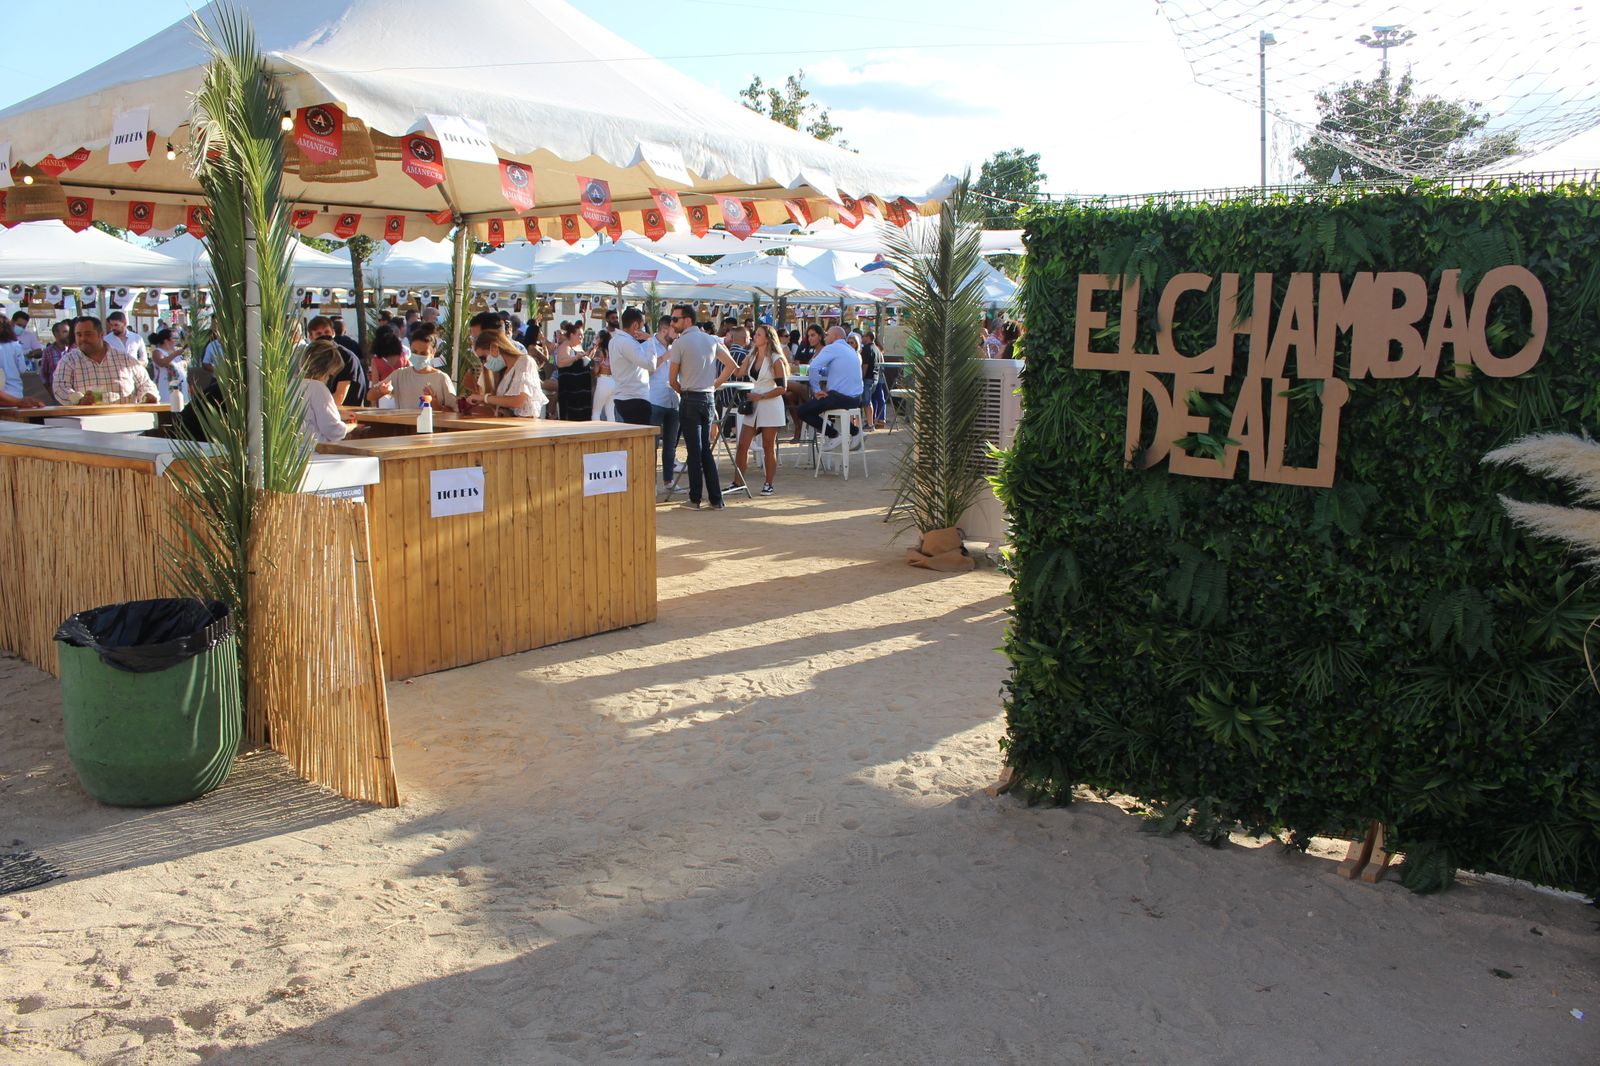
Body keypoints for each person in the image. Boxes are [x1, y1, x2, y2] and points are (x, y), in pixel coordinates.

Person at [668, 303, 738, 510]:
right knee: (704, 450)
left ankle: (695, 498)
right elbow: (731, 365)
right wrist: (714, 385)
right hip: (707, 398)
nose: (673, 323)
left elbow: (672, 380)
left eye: (675, 319)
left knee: (695, 450)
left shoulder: (680, 344)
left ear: (687, 320)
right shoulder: (710, 340)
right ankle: (715, 498)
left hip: (691, 397)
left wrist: (684, 390)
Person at [731, 324, 789, 497]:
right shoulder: (752, 355)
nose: (755, 337)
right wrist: (724, 355)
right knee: (742, 445)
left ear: (767, 338)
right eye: (755, 334)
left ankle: (768, 483)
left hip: (770, 404)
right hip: (755, 403)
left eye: (758, 334)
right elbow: (738, 372)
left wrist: (762, 397)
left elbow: (782, 388)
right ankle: (737, 482)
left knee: (767, 445)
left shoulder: (776, 358)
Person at [52, 316, 158, 404]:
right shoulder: (68, 361)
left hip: (126, 421)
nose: (83, 338)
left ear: (101, 335)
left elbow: (145, 383)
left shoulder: (125, 360)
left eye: (88, 334)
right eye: (79, 335)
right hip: (87, 423)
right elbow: (60, 387)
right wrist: (79, 400)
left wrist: (148, 395)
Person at [798, 325, 864, 450]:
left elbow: (813, 367)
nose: (825, 336)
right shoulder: (849, 349)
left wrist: (816, 390)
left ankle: (833, 435)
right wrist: (823, 372)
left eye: (828, 334)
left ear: (836, 336)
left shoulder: (832, 347)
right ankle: (855, 431)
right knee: (826, 406)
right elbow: (835, 370)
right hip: (856, 399)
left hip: (841, 398)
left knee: (803, 411)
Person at [367, 324, 457, 410]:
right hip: (404, 425)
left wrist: (437, 405)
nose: (418, 356)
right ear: (410, 349)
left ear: (433, 352)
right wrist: (382, 391)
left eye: (423, 353)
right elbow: (370, 395)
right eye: (414, 351)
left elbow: (454, 410)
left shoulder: (441, 378)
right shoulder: (399, 375)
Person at [466, 330, 545, 418]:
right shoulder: (505, 371)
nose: (484, 363)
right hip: (508, 424)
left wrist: (484, 398)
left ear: (495, 347)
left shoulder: (524, 361)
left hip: (524, 426)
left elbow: (518, 401)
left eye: (483, 358)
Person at [298, 338, 357, 444]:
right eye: (330, 375)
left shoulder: (294, 384)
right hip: (316, 450)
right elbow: (333, 430)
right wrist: (352, 426)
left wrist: (338, 415)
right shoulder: (318, 388)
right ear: (325, 370)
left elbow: (311, 415)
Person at [644, 313, 680, 486]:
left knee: (671, 444)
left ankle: (668, 480)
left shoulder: (675, 346)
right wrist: (667, 356)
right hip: (654, 399)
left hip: (673, 399)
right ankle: (650, 482)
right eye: (674, 331)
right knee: (652, 445)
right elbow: (647, 371)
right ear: (665, 329)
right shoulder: (649, 346)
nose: (677, 335)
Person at [307, 315, 367, 406]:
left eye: (327, 332)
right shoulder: (311, 357)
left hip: (347, 414)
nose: (323, 336)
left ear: (333, 333)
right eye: (318, 334)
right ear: (311, 337)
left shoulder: (345, 356)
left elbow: (339, 397)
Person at [608, 308, 654, 426]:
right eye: (642, 325)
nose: (643, 329)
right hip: (636, 399)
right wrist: (650, 340)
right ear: (635, 325)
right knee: (641, 442)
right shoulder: (627, 342)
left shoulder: (615, 340)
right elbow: (650, 365)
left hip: (622, 397)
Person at [0, 318, 44, 408]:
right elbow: (22, 369)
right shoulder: (16, 346)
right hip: (15, 392)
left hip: (6, 396)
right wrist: (18, 402)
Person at [554, 320, 592, 420]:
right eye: (579, 335)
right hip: (570, 391)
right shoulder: (565, 346)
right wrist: (575, 358)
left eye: (582, 335)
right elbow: (560, 363)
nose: (582, 337)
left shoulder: (578, 346)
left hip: (581, 390)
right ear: (571, 335)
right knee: (571, 417)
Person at [148, 328, 188, 404]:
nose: (177, 340)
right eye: (174, 338)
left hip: (181, 388)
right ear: (166, 340)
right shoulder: (158, 352)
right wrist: (176, 354)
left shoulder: (176, 351)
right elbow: (162, 363)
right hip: (166, 389)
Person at [37, 319, 73, 398]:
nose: (68, 335)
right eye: (65, 331)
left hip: (73, 393)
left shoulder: (73, 350)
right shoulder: (48, 351)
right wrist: (50, 390)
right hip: (56, 393)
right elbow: (43, 373)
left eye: (68, 332)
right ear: (56, 333)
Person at [590, 328, 617, 421]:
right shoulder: (612, 351)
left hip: (603, 380)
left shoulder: (599, 352)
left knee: (596, 411)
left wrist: (592, 368)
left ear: (601, 339)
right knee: (610, 412)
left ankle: (596, 433)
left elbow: (596, 370)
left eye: (597, 337)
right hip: (613, 381)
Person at [860, 330, 886, 429]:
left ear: (867, 337)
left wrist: (861, 377)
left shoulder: (867, 349)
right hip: (875, 378)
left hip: (868, 378)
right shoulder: (877, 349)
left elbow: (865, 365)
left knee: (867, 402)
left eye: (863, 336)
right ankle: (871, 422)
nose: (862, 338)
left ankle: (870, 424)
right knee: (871, 400)